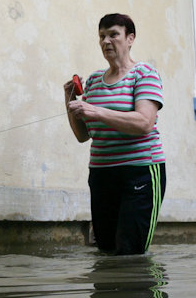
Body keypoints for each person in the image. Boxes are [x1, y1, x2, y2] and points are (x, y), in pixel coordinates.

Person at [64, 13, 166, 255]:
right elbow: (82, 135)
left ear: (130, 38)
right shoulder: (94, 81)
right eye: (101, 36)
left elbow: (144, 122)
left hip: (140, 172)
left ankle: (142, 292)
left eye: (113, 35)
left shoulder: (144, 74)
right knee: (106, 249)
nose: (106, 41)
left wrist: (95, 110)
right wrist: (69, 100)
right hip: (102, 174)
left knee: (130, 251)